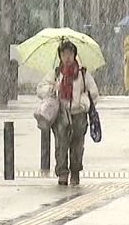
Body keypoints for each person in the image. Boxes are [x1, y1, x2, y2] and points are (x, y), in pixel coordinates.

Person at [36, 40, 99, 186]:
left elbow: (94, 94)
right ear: (60, 56)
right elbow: (40, 89)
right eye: (64, 54)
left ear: (75, 55)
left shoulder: (83, 74)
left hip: (78, 115)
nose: (67, 57)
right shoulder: (56, 74)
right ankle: (62, 173)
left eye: (70, 53)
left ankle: (75, 173)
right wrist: (52, 88)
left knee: (77, 146)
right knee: (61, 145)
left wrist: (84, 103)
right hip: (61, 115)